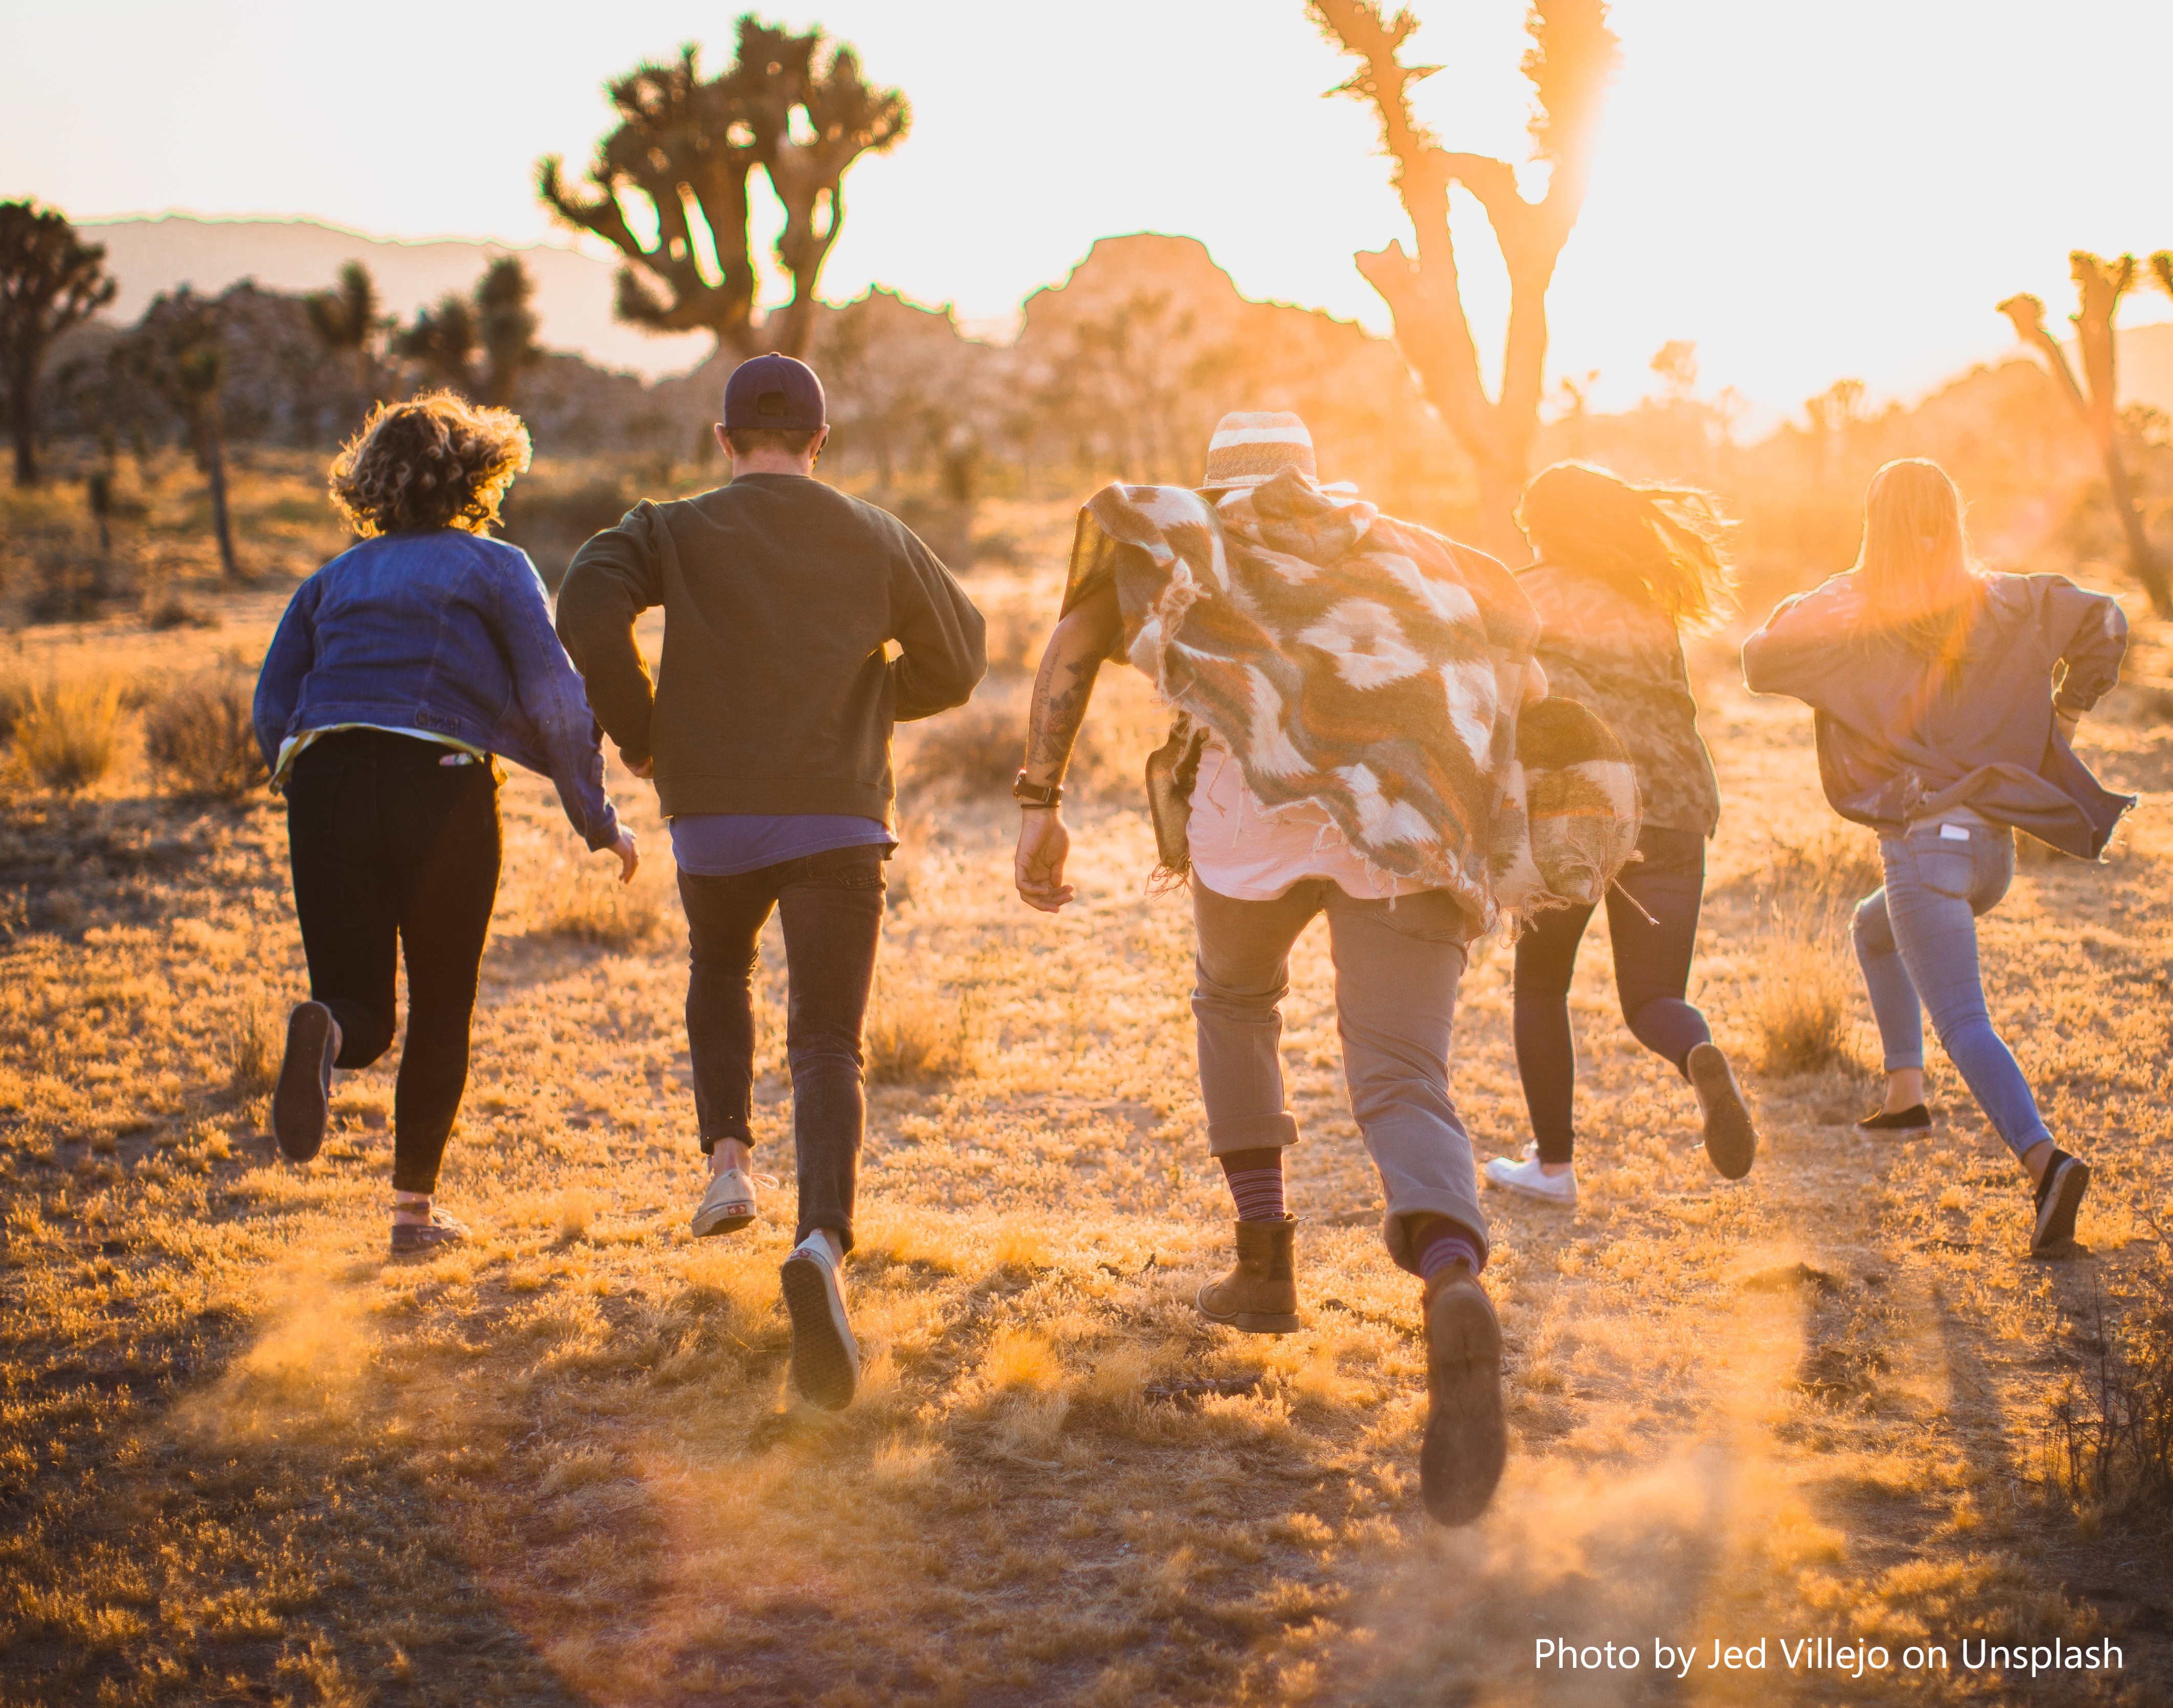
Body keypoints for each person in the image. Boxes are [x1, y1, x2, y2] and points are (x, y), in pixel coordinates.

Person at [1013, 411, 1629, 1528]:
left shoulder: (1192, 539)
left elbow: (1073, 641)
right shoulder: (1405, 552)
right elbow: (1518, 659)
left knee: (1235, 1003)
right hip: (1404, 827)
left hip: (1246, 833)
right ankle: (1451, 1271)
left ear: (1216, 483)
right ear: (1312, 476)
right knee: (1400, 1073)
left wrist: (1037, 801)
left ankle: (1263, 1266)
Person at [556, 353, 986, 1411]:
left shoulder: (670, 528)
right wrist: (870, 697)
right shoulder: (877, 533)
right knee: (828, 1039)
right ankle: (822, 1242)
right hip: (839, 812)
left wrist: (644, 729)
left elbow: (585, 600)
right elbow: (963, 654)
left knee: (720, 967)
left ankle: (728, 1168)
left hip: (713, 817)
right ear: (820, 442)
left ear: (725, 440)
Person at [254, 391, 635, 1256]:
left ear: (370, 483)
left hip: (326, 779)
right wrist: (598, 819)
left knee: (361, 1007)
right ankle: (411, 1217)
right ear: (475, 475)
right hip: (441, 785)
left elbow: (272, 704)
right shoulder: (496, 566)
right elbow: (556, 698)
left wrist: (307, 783)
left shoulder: (330, 580)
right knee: (440, 1005)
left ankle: (328, 1030)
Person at [1743, 457, 2130, 1254]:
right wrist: (2066, 715)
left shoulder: (1855, 609)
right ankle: (1906, 1094)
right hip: (1991, 853)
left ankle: (2046, 1163)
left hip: (1925, 849)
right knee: (1872, 928)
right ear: (1953, 521)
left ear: (1873, 527)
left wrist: (1839, 584)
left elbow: (1760, 655)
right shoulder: (2007, 596)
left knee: (1963, 1020)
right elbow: (2108, 620)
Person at [1484, 463, 1757, 1207]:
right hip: (1676, 805)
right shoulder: (1649, 603)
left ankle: (1553, 1168)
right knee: (1654, 998)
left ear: (1546, 528)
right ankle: (1696, 1052)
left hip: (1576, 810)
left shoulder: (1522, 595)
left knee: (1542, 984)